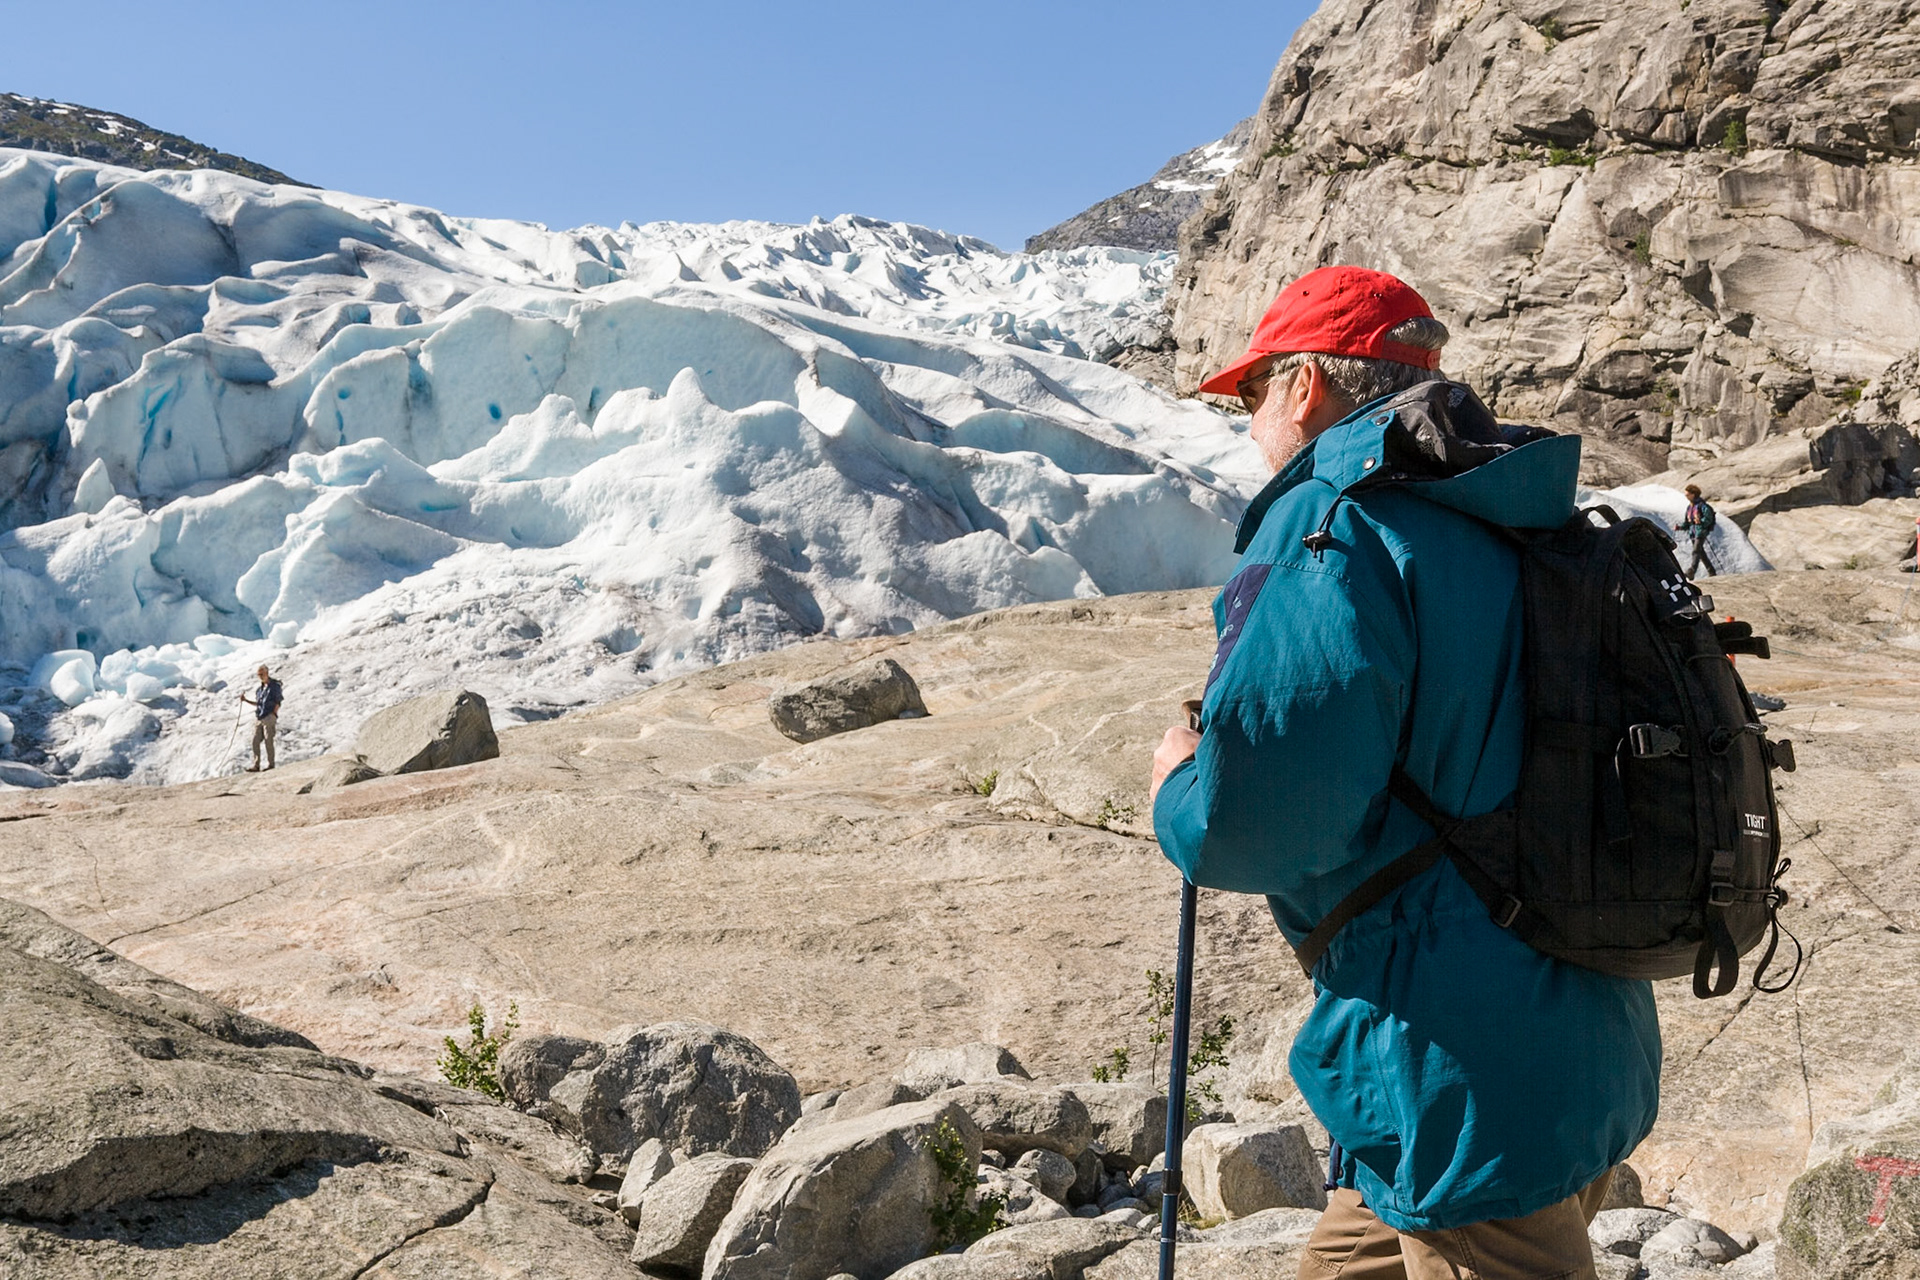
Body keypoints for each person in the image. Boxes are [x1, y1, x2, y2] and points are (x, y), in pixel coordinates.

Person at [1150, 266, 1659, 1280]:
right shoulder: (1515, 513)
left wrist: (1178, 783)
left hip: (1454, 1061)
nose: (1249, 421)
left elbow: (1256, 824)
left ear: (1306, 386)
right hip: (1576, 1015)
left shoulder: (1340, 529)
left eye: (1254, 392)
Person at [240, 664, 284, 772]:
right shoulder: (259, 690)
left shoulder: (274, 686)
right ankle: (256, 765)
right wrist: (245, 700)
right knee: (255, 740)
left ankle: (271, 764)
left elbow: (278, 701)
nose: (260, 676)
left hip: (269, 716)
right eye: (259, 674)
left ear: (267, 673)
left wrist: (273, 714)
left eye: (262, 674)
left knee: (269, 740)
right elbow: (259, 704)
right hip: (260, 717)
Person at [1675, 484, 1717, 578]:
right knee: (1701, 553)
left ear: (1693, 494)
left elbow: (1708, 518)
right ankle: (1711, 571)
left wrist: (1700, 522)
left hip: (1700, 532)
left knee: (1696, 551)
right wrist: (1680, 527)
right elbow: (1688, 522)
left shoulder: (1702, 506)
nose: (1686, 496)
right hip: (1693, 532)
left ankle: (1692, 571)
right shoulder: (1690, 507)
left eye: (1687, 494)